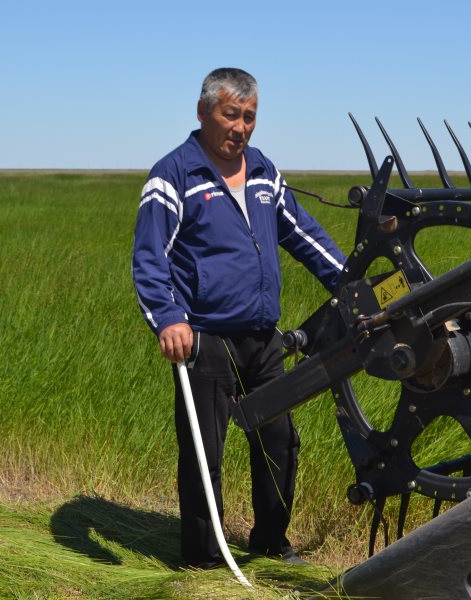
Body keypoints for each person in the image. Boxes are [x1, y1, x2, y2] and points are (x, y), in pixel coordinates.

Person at [132, 67, 346, 569]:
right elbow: (149, 258)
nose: (241, 127)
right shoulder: (174, 175)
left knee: (279, 441)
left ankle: (269, 541)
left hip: (263, 336)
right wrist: (167, 319)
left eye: (250, 117)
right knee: (205, 455)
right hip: (204, 340)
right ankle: (204, 562)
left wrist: (352, 283)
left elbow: (303, 234)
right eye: (231, 115)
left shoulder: (264, 171)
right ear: (203, 111)